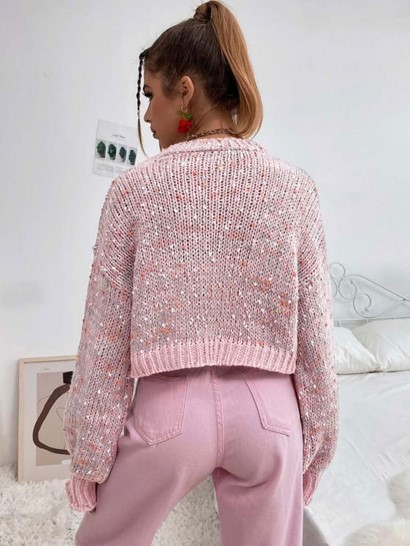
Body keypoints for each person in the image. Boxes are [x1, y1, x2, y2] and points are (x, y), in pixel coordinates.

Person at [63, 1, 339, 545]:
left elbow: (105, 338)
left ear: (185, 91)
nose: (147, 116)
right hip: (270, 417)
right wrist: (316, 444)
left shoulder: (134, 191)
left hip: (170, 415)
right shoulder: (295, 190)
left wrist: (89, 455)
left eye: (151, 95)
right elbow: (315, 337)